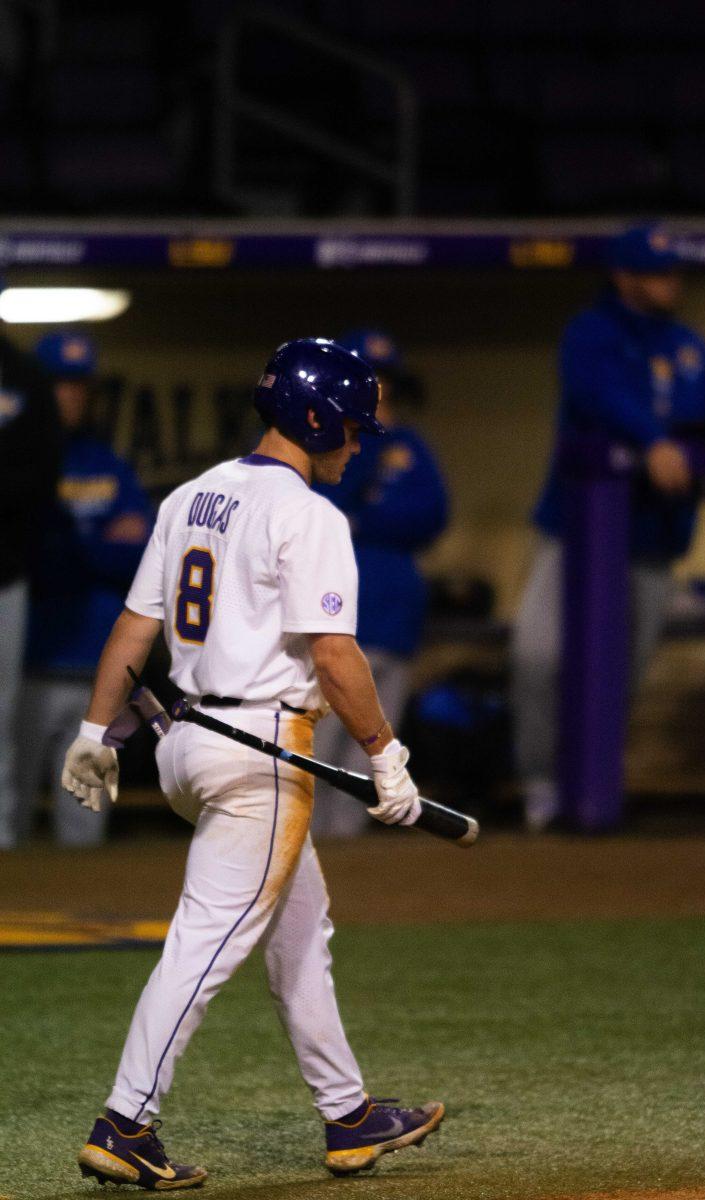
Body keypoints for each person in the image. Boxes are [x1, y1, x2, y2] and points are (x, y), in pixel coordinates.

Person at [61, 338, 445, 1189]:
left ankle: (348, 1115)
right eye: (351, 428)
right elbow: (336, 654)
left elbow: (136, 627)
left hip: (191, 744)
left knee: (300, 933)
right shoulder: (308, 514)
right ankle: (126, 1122)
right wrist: (386, 753)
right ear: (316, 421)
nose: (358, 443)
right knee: (206, 942)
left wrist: (96, 730)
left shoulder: (191, 496)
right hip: (263, 751)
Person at [511, 226, 705, 832]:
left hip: (652, 540)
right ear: (625, 277)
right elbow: (600, 396)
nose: (670, 282)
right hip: (574, 535)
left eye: (674, 271)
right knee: (538, 656)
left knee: (618, 676)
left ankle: (594, 790)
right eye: (657, 273)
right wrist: (653, 440)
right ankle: (541, 781)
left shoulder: (686, 345)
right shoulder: (591, 333)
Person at [14, 331, 152, 846]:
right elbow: (39, 559)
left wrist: (72, 542)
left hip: (98, 672)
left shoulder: (109, 463)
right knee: (10, 812)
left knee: (85, 821)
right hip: (26, 665)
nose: (70, 396)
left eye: (79, 386)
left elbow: (142, 556)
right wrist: (96, 544)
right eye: (59, 385)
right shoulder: (22, 459)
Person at [312, 328, 448, 837]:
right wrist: (366, 449)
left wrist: (368, 521)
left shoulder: (411, 444)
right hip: (335, 619)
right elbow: (329, 506)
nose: (381, 394)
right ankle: (299, 847)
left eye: (386, 382)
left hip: (396, 616)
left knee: (372, 754)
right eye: (369, 382)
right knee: (317, 748)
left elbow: (432, 514)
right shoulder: (321, 442)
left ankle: (347, 854)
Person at [0, 315, 61, 849]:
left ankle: (1, 836)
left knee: (0, 712)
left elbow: (42, 472)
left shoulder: (22, 375)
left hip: (3, 572)